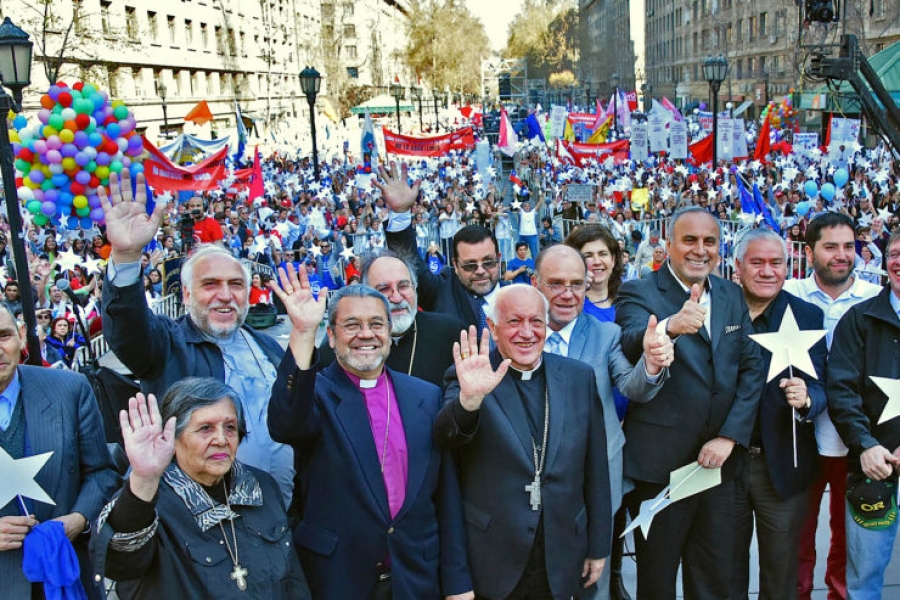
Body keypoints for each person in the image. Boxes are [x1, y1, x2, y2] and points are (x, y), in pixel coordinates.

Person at [267, 277, 474, 600]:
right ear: (332, 337)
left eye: (376, 324)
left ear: (389, 334)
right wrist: (304, 332)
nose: (366, 334)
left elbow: (445, 497)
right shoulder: (316, 394)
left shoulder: (426, 396)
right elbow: (286, 425)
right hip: (338, 579)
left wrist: (459, 584)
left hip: (415, 579)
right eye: (351, 324)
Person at [98, 171, 296, 508]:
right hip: (196, 521)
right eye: (210, 284)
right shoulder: (166, 344)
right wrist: (127, 258)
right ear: (187, 294)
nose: (225, 295)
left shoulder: (268, 347)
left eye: (235, 285)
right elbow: (128, 331)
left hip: (278, 516)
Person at [615, 207, 764, 599]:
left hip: (720, 468)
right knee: (658, 580)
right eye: (689, 240)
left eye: (709, 241)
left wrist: (730, 436)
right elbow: (630, 338)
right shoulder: (640, 291)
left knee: (717, 577)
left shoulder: (731, 294)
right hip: (660, 470)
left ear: (720, 248)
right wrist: (668, 328)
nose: (700, 250)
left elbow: (751, 369)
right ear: (668, 245)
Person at [434, 284, 612, 600]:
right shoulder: (470, 375)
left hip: (561, 552)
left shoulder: (578, 377)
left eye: (536, 321)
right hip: (495, 558)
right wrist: (470, 400)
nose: (526, 333)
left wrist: (598, 547)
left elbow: (595, 468)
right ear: (492, 326)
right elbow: (445, 436)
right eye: (514, 322)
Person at [533, 245, 673, 600]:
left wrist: (652, 365)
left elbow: (632, 387)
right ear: (536, 284)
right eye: (556, 283)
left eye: (577, 284)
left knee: (593, 582)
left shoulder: (605, 334)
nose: (568, 294)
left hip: (595, 483)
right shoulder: (521, 333)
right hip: (535, 485)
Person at [91, 378, 310, 599]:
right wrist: (144, 478)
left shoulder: (262, 487)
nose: (221, 439)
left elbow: (293, 581)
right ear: (173, 438)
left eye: (230, 427)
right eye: (206, 428)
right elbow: (119, 563)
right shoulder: (149, 500)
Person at [783, 212, 882, 600]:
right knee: (796, 535)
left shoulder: (877, 298)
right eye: (830, 247)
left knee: (850, 538)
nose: (841, 255)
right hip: (801, 438)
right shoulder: (788, 293)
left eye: (848, 247)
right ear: (810, 253)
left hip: (858, 443)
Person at [731, 229, 828, 600]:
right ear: (738, 266)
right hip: (727, 465)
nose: (768, 271)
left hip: (784, 465)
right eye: (757, 262)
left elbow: (823, 389)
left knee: (781, 570)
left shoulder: (806, 314)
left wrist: (806, 399)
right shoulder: (718, 308)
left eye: (777, 263)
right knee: (725, 568)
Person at [0, 304, 118, 599]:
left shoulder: (70, 390)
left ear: (22, 335)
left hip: (62, 575)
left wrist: (79, 518)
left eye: (2, 336)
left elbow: (101, 473)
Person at [827, 230, 900, 599]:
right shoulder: (859, 320)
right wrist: (866, 444)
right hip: (873, 468)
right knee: (863, 579)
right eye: (895, 253)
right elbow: (841, 389)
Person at [377, 164, 503, 337]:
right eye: (470, 265)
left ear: (499, 258)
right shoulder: (440, 291)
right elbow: (410, 263)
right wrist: (400, 214)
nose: (480, 271)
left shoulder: (519, 296)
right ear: (455, 265)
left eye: (488, 262)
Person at [317, 252, 464, 387]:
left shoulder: (451, 333)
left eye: (403, 286)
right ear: (365, 293)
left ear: (415, 288)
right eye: (384, 289)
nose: (397, 297)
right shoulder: (341, 347)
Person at [565, 225, 624, 323]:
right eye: (588, 256)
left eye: (603, 254)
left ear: (613, 259)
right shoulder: (568, 307)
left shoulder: (626, 302)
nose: (597, 261)